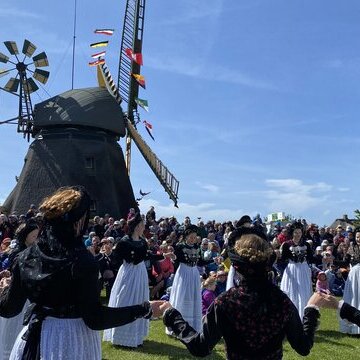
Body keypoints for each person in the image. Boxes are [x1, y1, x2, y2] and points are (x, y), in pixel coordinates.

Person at [0, 186, 164, 360]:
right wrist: (144, 309)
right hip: (71, 341)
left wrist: (3, 290)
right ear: (79, 221)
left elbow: (9, 308)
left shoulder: (26, 257)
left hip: (34, 337)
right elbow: (94, 318)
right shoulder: (81, 262)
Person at [163, 227, 320, 359]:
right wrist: (311, 309)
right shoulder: (281, 301)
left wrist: (172, 315)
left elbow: (200, 347)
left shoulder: (225, 302)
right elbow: (303, 346)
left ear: (237, 268)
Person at [103, 212, 172, 347]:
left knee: (139, 299)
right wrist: (109, 253)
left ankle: (136, 335)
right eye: (141, 225)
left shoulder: (142, 241)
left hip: (140, 272)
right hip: (128, 273)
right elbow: (116, 259)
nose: (143, 227)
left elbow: (149, 255)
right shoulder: (124, 241)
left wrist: (164, 255)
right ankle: (121, 336)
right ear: (135, 226)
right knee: (125, 298)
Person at [0, 219, 39, 360]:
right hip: (18, 297)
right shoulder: (19, 254)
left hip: (29, 297)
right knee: (13, 329)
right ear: (26, 236)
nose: (37, 239)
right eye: (34, 236)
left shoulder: (36, 252)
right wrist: (8, 276)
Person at [167, 225, 216, 334]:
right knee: (182, 295)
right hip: (184, 272)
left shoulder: (196, 247)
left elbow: (200, 261)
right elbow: (177, 259)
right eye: (191, 237)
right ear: (186, 236)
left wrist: (213, 260)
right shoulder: (180, 246)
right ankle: (177, 324)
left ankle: (191, 324)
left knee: (192, 295)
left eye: (195, 237)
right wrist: (173, 257)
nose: (193, 239)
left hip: (194, 272)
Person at [280, 221, 313, 318]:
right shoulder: (287, 244)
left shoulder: (306, 244)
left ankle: (304, 316)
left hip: (303, 269)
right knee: (292, 291)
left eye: (299, 232)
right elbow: (283, 259)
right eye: (296, 232)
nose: (298, 235)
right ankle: (291, 317)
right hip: (292, 269)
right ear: (292, 233)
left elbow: (311, 258)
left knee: (304, 292)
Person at [340, 230, 360, 334]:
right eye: (357, 237)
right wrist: (333, 261)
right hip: (354, 276)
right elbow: (345, 262)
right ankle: (352, 326)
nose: (358, 239)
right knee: (353, 297)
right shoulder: (352, 248)